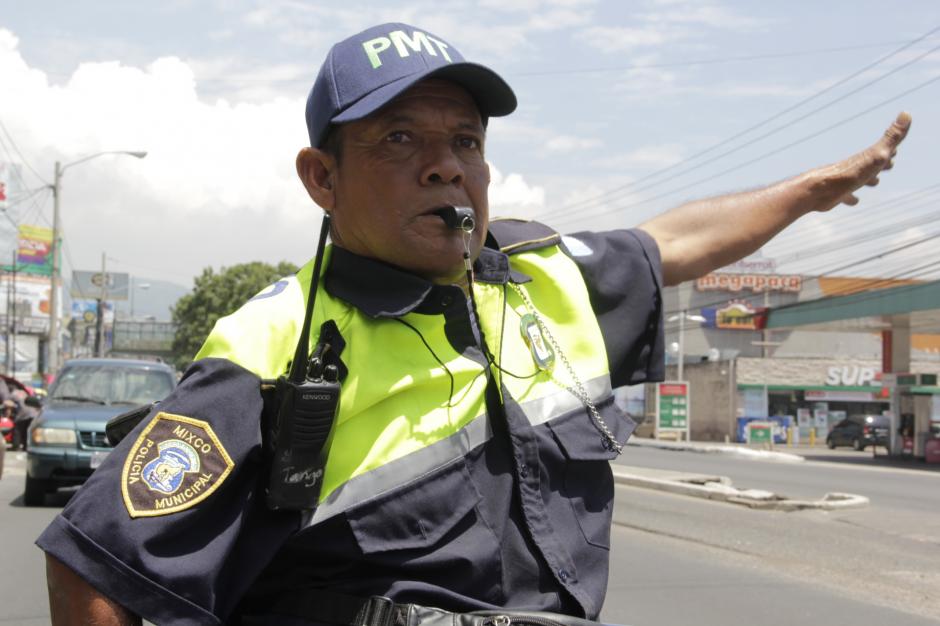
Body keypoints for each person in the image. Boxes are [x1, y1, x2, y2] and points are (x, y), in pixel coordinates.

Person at [36, 22, 909, 626]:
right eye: (399, 141)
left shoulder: (545, 278)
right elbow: (91, 557)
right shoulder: (272, 341)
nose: (445, 168)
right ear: (321, 178)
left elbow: (674, 241)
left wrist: (808, 194)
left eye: (466, 141)